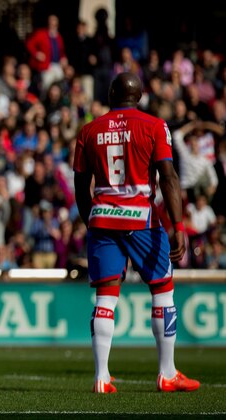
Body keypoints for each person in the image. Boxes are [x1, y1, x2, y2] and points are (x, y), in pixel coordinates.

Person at [73, 71, 200, 394]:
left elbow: (79, 183)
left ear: (112, 94)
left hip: (103, 218)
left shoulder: (88, 130)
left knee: (105, 297)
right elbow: (168, 177)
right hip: (141, 218)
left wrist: (92, 219)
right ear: (140, 96)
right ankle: (167, 372)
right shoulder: (154, 126)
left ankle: (101, 377)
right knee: (163, 290)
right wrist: (178, 225)